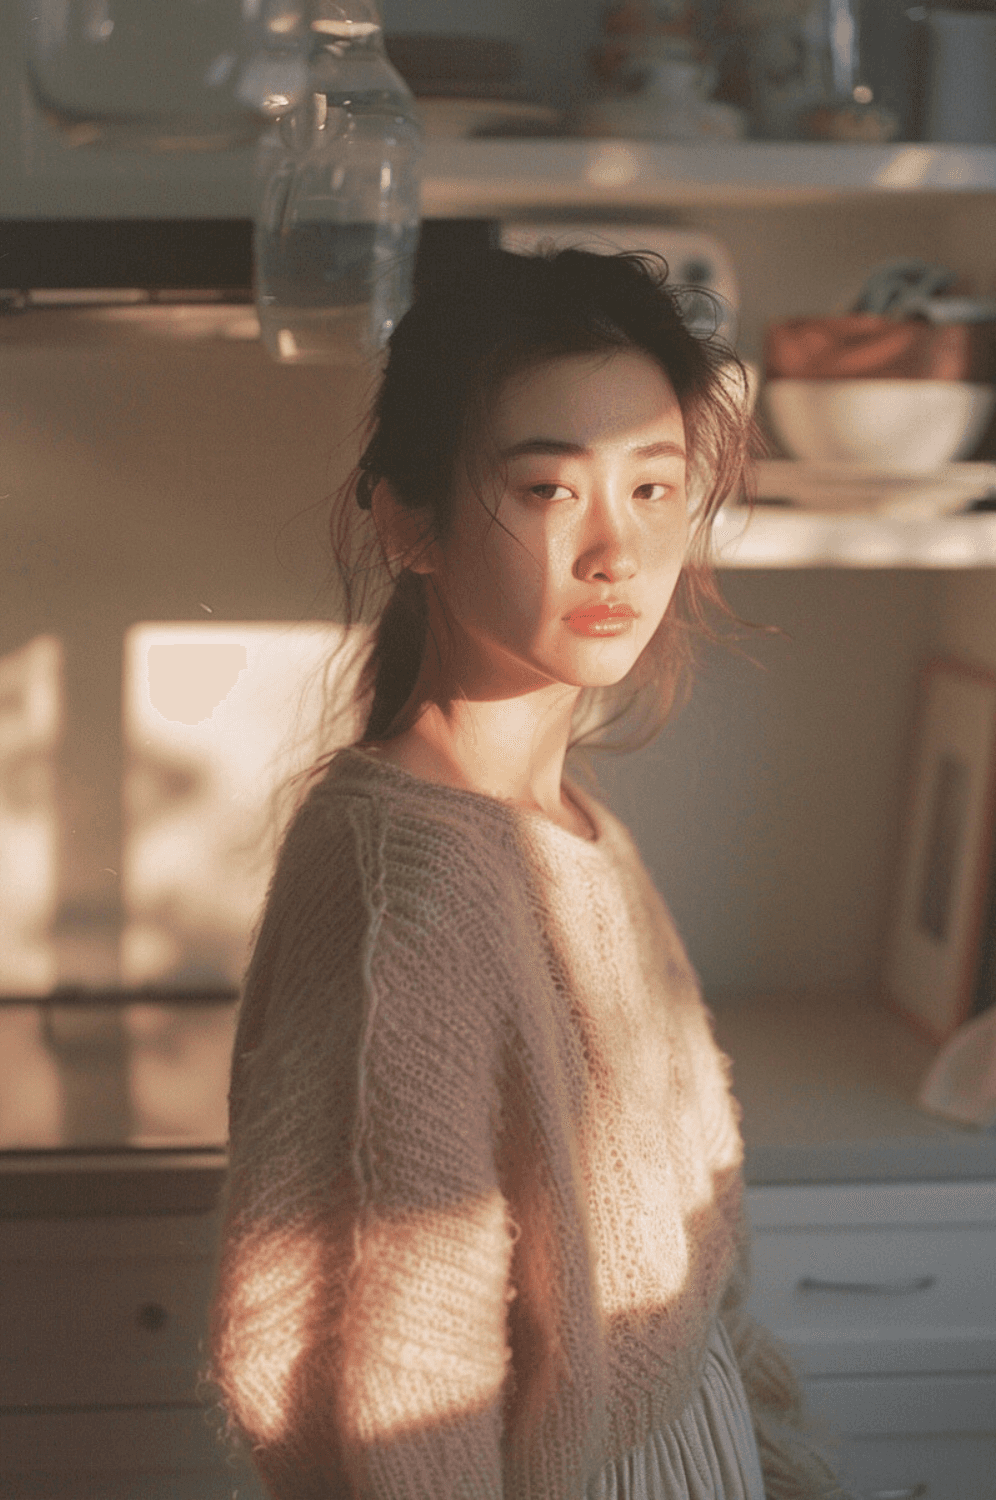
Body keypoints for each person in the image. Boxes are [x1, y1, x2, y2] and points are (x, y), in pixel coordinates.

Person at [207, 246, 852, 1499]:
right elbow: (397, 1403)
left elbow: (691, 1295)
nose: (620, 550)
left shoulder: (567, 819)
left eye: (656, 487)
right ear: (406, 522)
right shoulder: (415, 890)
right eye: (550, 490)